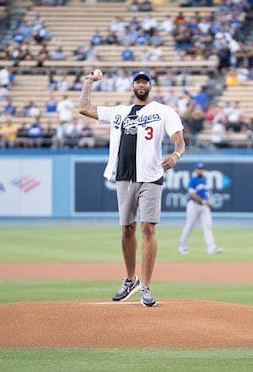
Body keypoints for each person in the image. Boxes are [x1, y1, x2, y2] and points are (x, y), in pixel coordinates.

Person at [79, 69, 185, 307]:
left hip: (151, 175)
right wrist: (89, 81)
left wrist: (176, 155)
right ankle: (131, 279)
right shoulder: (119, 112)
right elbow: (84, 108)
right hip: (124, 176)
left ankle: (146, 286)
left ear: (150, 86)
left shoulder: (163, 111)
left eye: (144, 81)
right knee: (127, 229)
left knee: (148, 227)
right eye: (137, 81)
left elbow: (179, 140)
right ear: (132, 86)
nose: (141, 84)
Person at [178, 162, 222, 255]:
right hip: (193, 205)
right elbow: (192, 194)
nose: (200, 170)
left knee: (208, 226)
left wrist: (206, 201)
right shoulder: (193, 180)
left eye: (202, 169)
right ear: (196, 170)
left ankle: (211, 247)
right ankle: (182, 245)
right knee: (189, 225)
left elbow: (204, 193)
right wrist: (203, 201)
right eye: (199, 169)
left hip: (204, 206)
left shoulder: (204, 180)